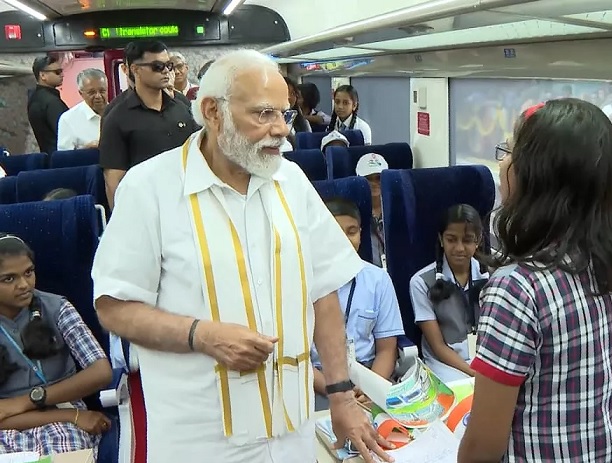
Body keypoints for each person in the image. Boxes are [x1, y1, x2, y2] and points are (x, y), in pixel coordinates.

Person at [91, 49, 393, 463]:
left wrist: (341, 394)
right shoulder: (149, 189)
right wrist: (202, 334)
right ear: (213, 112)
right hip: (200, 437)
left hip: (292, 430)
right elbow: (114, 307)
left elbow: (323, 291)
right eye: (264, 115)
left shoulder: (292, 181)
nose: (281, 132)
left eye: (284, 116)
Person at [457, 99, 612, 463]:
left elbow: (483, 445)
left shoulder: (517, 288)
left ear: (538, 177)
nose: (502, 162)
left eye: (511, 151)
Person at [0, 234, 112, 456]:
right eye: (9, 279)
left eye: (28, 273)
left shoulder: (57, 308)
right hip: (9, 422)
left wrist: (30, 400)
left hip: (63, 411)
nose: (24, 285)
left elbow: (101, 371)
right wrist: (73, 416)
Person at [312, 198, 403, 411]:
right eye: (335, 233)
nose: (344, 241)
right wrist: (337, 390)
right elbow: (299, 361)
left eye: (351, 232)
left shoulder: (378, 280)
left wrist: (372, 387)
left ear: (361, 233)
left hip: (369, 377)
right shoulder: (302, 282)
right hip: (319, 382)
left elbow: (387, 349)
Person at [99, 41, 199, 208]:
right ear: (135, 70)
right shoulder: (116, 117)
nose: (167, 71)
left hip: (187, 199)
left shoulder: (182, 105)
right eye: (158, 66)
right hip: (146, 204)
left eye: (169, 65)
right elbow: (114, 180)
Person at [409, 204, 489, 383]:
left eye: (467, 240)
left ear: (479, 240)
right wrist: (475, 373)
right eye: (452, 240)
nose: (459, 248)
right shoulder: (421, 282)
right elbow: (438, 346)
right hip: (446, 364)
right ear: (441, 239)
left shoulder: (492, 276)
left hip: (486, 359)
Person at [57, 69, 108, 151]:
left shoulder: (118, 112)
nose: (98, 96)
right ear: (81, 93)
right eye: (92, 92)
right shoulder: (68, 119)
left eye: (102, 91)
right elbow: (64, 159)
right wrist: (86, 150)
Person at [27, 55, 68, 154]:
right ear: (43, 75)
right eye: (57, 72)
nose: (62, 75)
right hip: (61, 157)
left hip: (48, 156)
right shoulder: (51, 102)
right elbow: (66, 133)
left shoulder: (34, 97)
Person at [355, 153, 388, 268]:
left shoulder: (396, 211)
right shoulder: (355, 212)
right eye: (369, 179)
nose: (374, 183)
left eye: (378, 178)